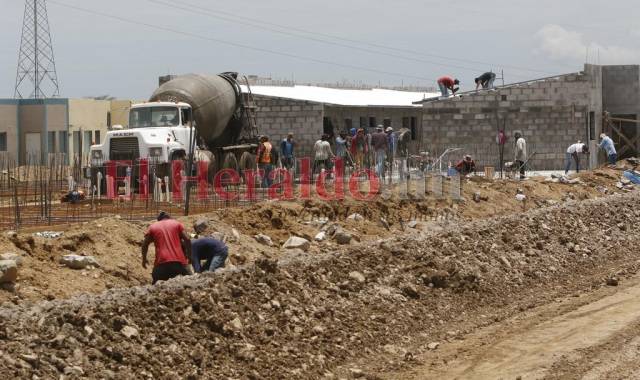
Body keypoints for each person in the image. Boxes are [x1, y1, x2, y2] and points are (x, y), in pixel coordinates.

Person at [141, 211, 192, 284]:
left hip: (161, 263)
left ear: (159, 220)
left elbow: (145, 244)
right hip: (179, 263)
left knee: (155, 288)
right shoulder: (176, 223)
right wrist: (189, 257)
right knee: (191, 282)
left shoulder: (153, 227)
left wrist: (144, 259)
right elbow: (187, 239)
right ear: (169, 217)